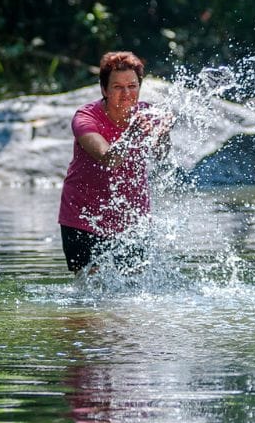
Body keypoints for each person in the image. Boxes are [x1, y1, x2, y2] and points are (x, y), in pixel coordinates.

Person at [58, 50, 172, 274]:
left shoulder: (148, 114)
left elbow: (161, 156)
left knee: (134, 294)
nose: (127, 94)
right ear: (104, 90)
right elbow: (108, 158)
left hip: (132, 221)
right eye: (118, 87)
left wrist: (163, 136)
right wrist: (131, 134)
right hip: (84, 218)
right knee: (93, 296)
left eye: (132, 86)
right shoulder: (85, 118)